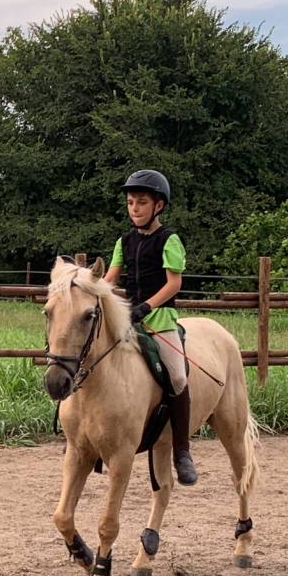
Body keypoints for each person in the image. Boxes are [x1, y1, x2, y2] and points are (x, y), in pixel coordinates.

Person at [105, 169, 198, 485]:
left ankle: (182, 451)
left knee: (177, 375)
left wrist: (146, 306)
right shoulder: (124, 241)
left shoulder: (169, 239)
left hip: (159, 322)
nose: (134, 208)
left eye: (141, 202)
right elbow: (110, 279)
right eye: (131, 202)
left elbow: (174, 284)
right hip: (127, 321)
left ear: (158, 206)